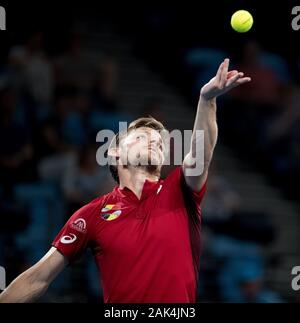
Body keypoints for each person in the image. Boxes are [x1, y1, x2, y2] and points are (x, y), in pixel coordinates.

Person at [0, 59, 250, 303]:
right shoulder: (91, 215)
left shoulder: (180, 190)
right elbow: (38, 278)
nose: (155, 141)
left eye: (160, 143)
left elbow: (201, 153)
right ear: (115, 152)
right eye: (143, 136)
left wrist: (206, 100)